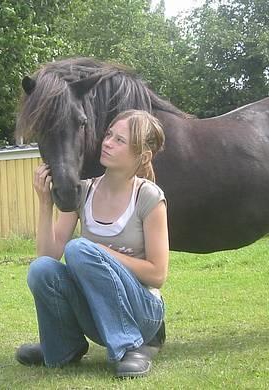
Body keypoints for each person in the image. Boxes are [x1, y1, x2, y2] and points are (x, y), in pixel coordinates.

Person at [15, 110, 169, 378]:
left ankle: (129, 348)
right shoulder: (83, 191)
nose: (107, 142)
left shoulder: (148, 197)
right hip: (99, 314)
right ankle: (63, 345)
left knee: (79, 249)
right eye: (108, 135)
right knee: (41, 269)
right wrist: (45, 203)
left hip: (144, 313)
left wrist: (102, 253)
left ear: (142, 157)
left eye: (119, 140)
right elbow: (48, 256)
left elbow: (157, 275)